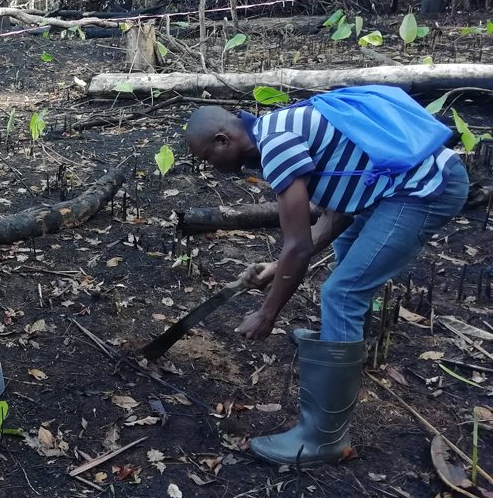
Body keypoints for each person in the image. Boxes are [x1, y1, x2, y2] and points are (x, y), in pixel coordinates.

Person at [185, 92, 468, 466]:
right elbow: (334, 218)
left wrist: (267, 314)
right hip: (390, 190)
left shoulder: (277, 145)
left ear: (223, 140)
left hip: (424, 189)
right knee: (347, 255)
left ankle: (323, 437)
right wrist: (273, 270)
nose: (211, 166)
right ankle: (343, 351)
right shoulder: (281, 125)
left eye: (208, 156)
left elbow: (298, 246)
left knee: (344, 293)